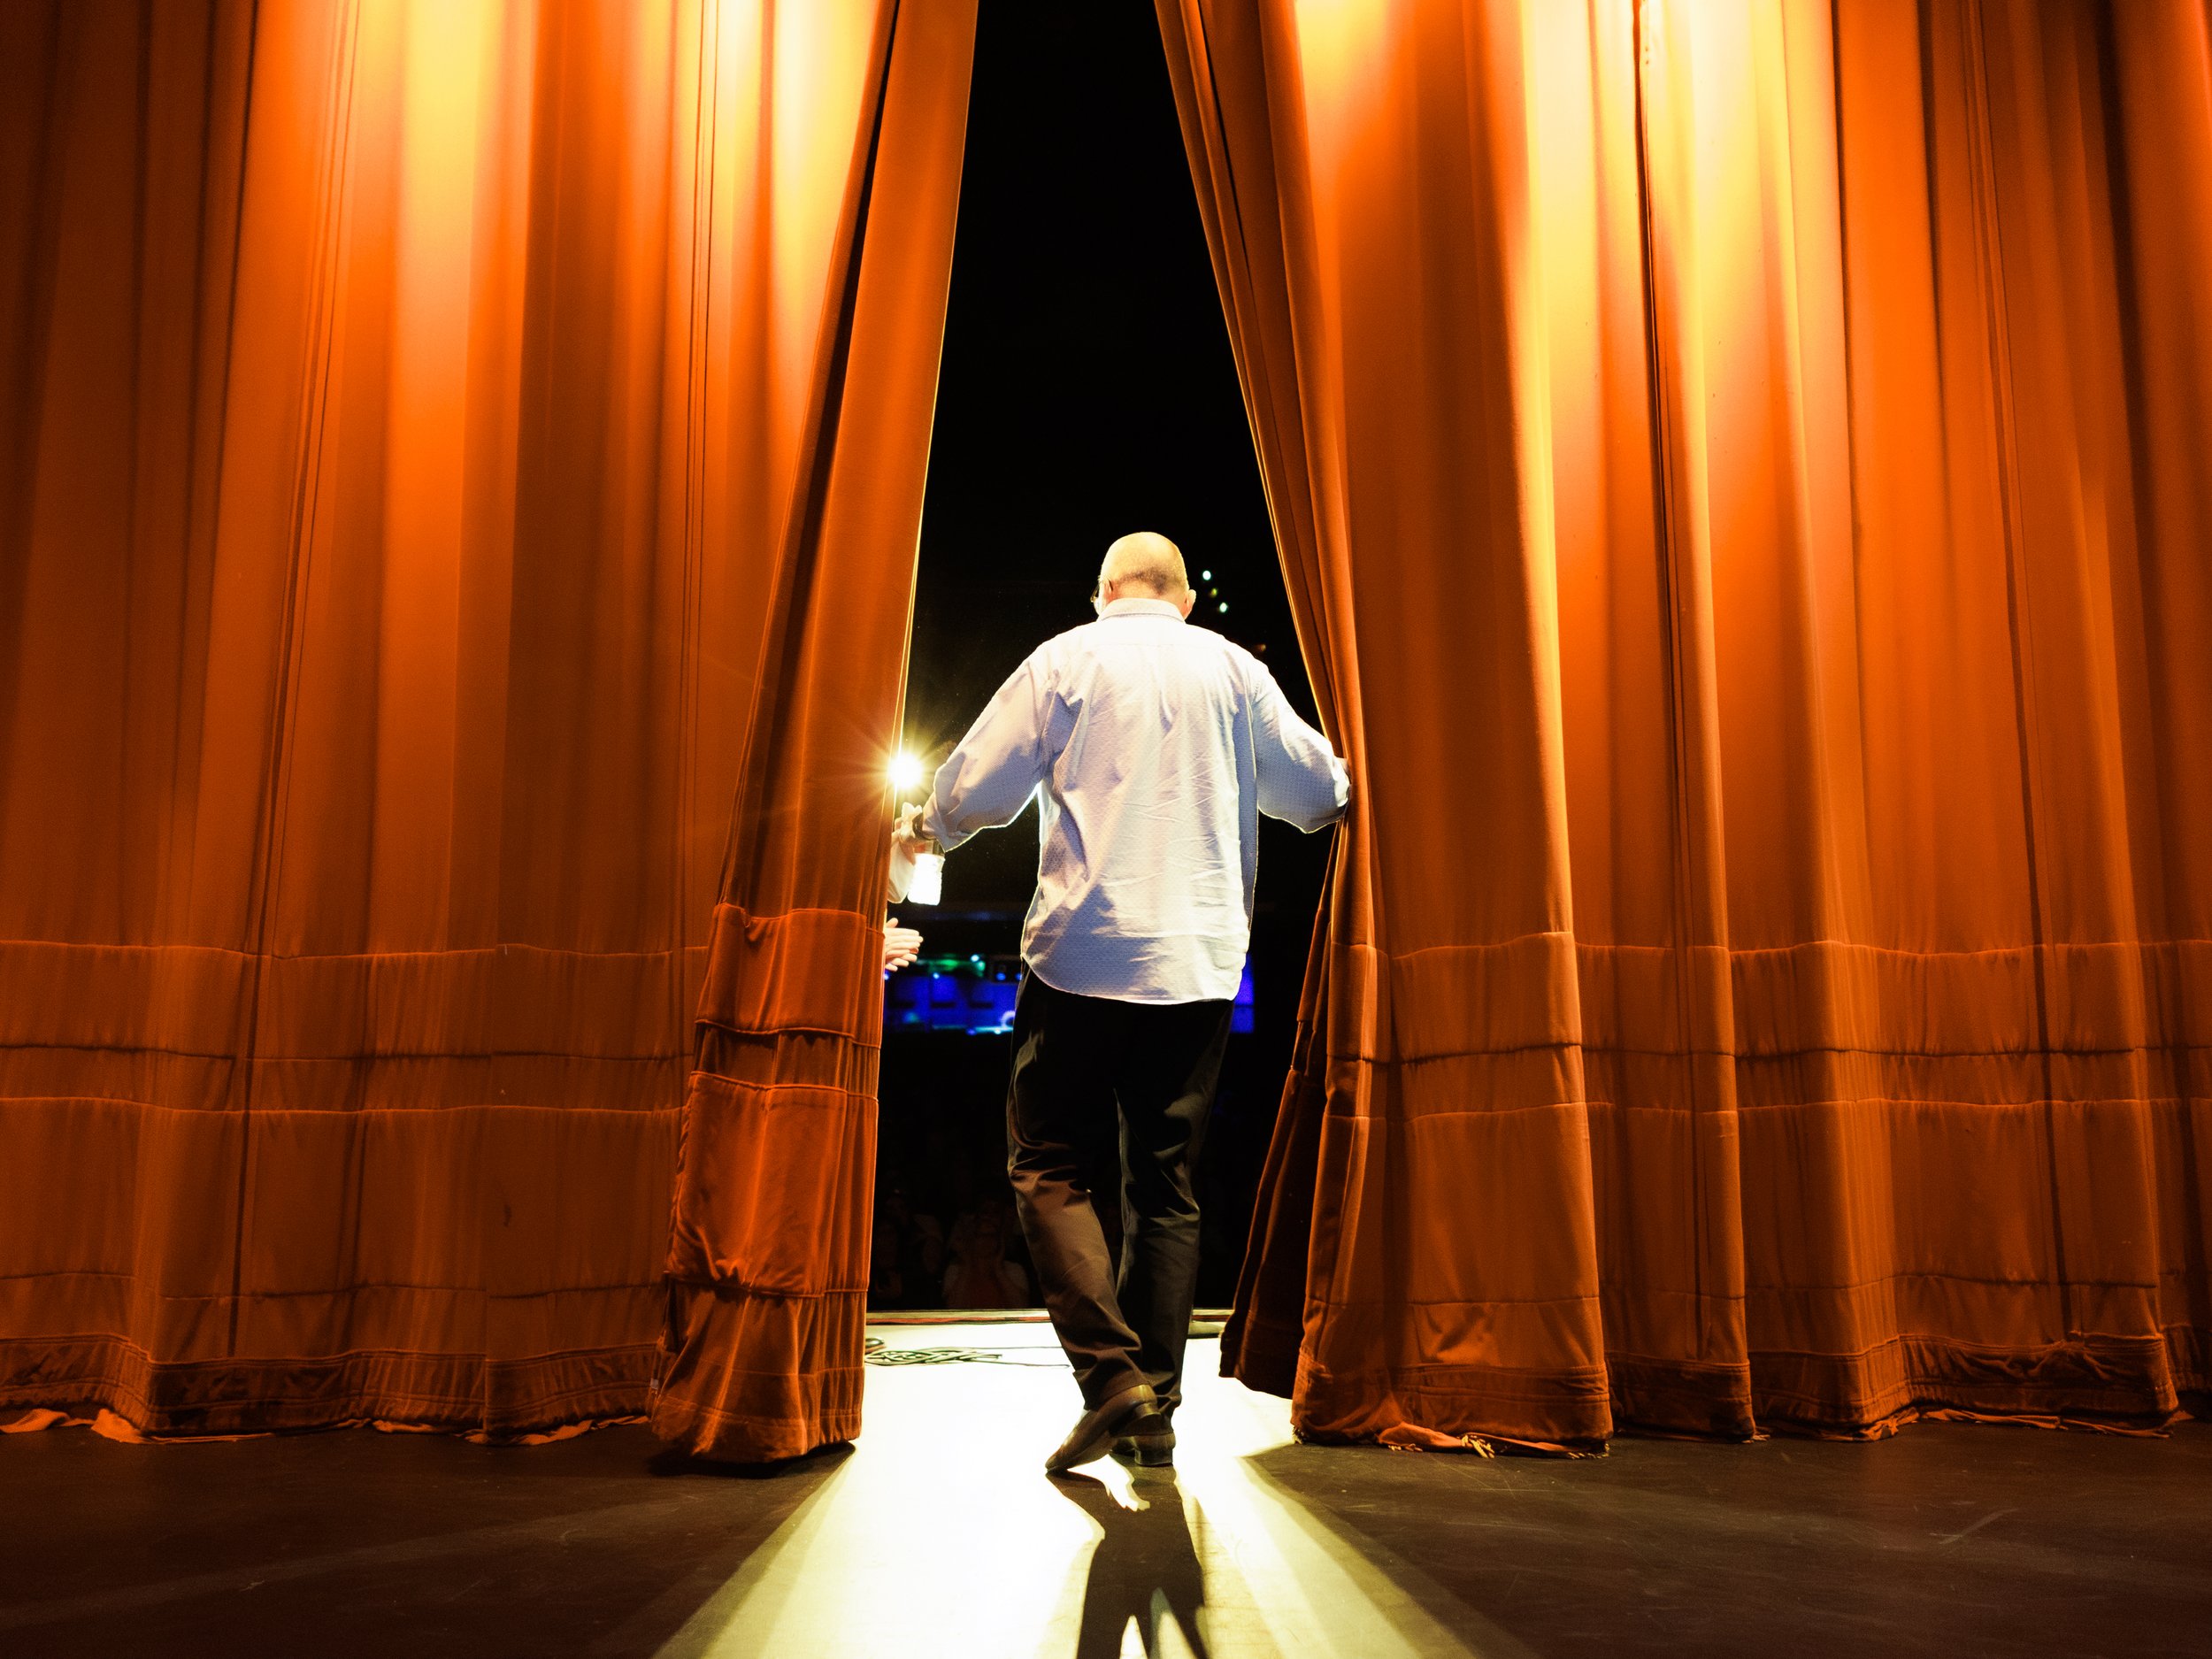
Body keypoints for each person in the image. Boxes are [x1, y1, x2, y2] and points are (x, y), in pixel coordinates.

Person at [893, 531, 1348, 1474]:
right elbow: (1317, 795)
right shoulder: (1231, 669)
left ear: (1104, 592)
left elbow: (974, 788)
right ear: (1182, 600)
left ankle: (1110, 1379)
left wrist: (929, 824)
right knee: (1166, 1188)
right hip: (1198, 964)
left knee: (1047, 1163)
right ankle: (1155, 1414)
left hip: (1081, 958)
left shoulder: (1067, 657)